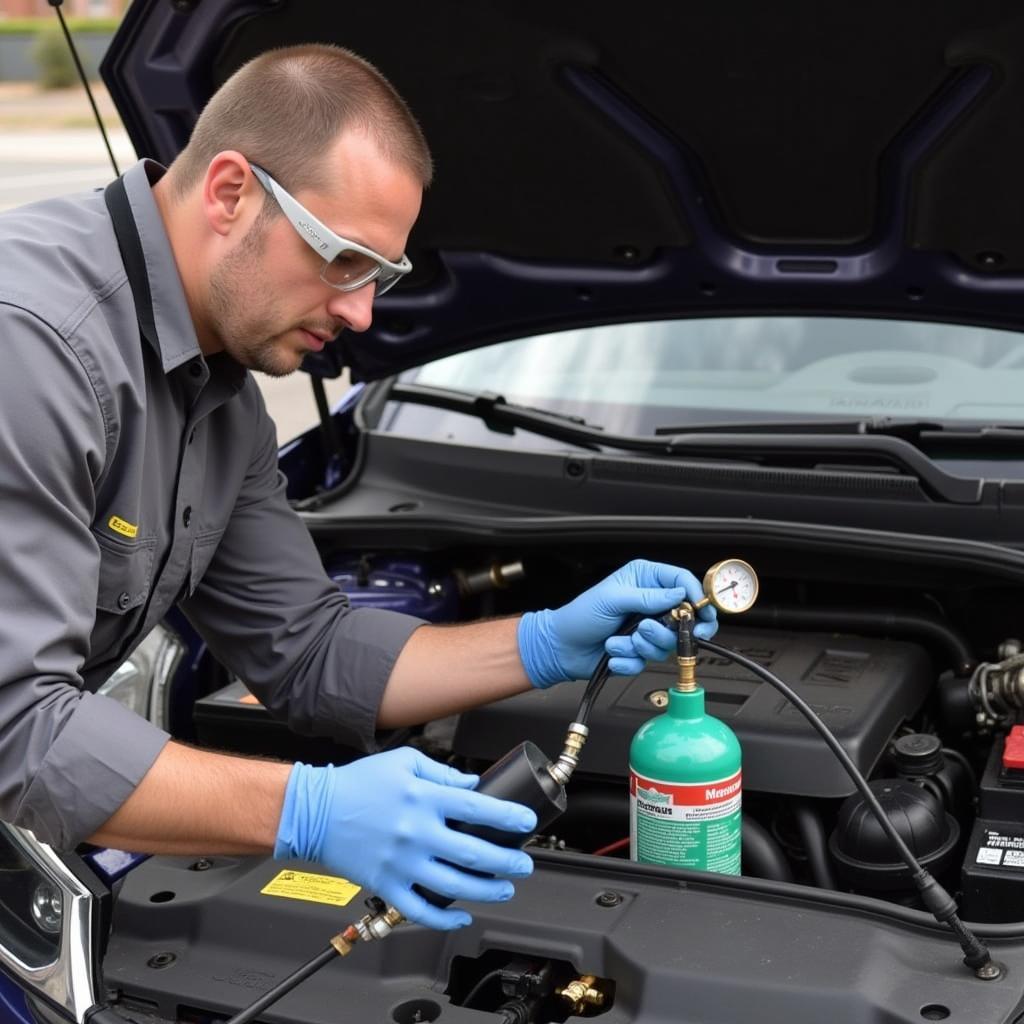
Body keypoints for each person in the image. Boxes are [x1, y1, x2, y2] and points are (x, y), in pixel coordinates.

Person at [0, 43, 716, 931]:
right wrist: (309, 812)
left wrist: (544, 644)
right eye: (344, 259)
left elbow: (308, 651)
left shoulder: (220, 395)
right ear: (231, 192)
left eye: (382, 276)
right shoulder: (32, 348)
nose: (361, 314)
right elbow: (17, 734)